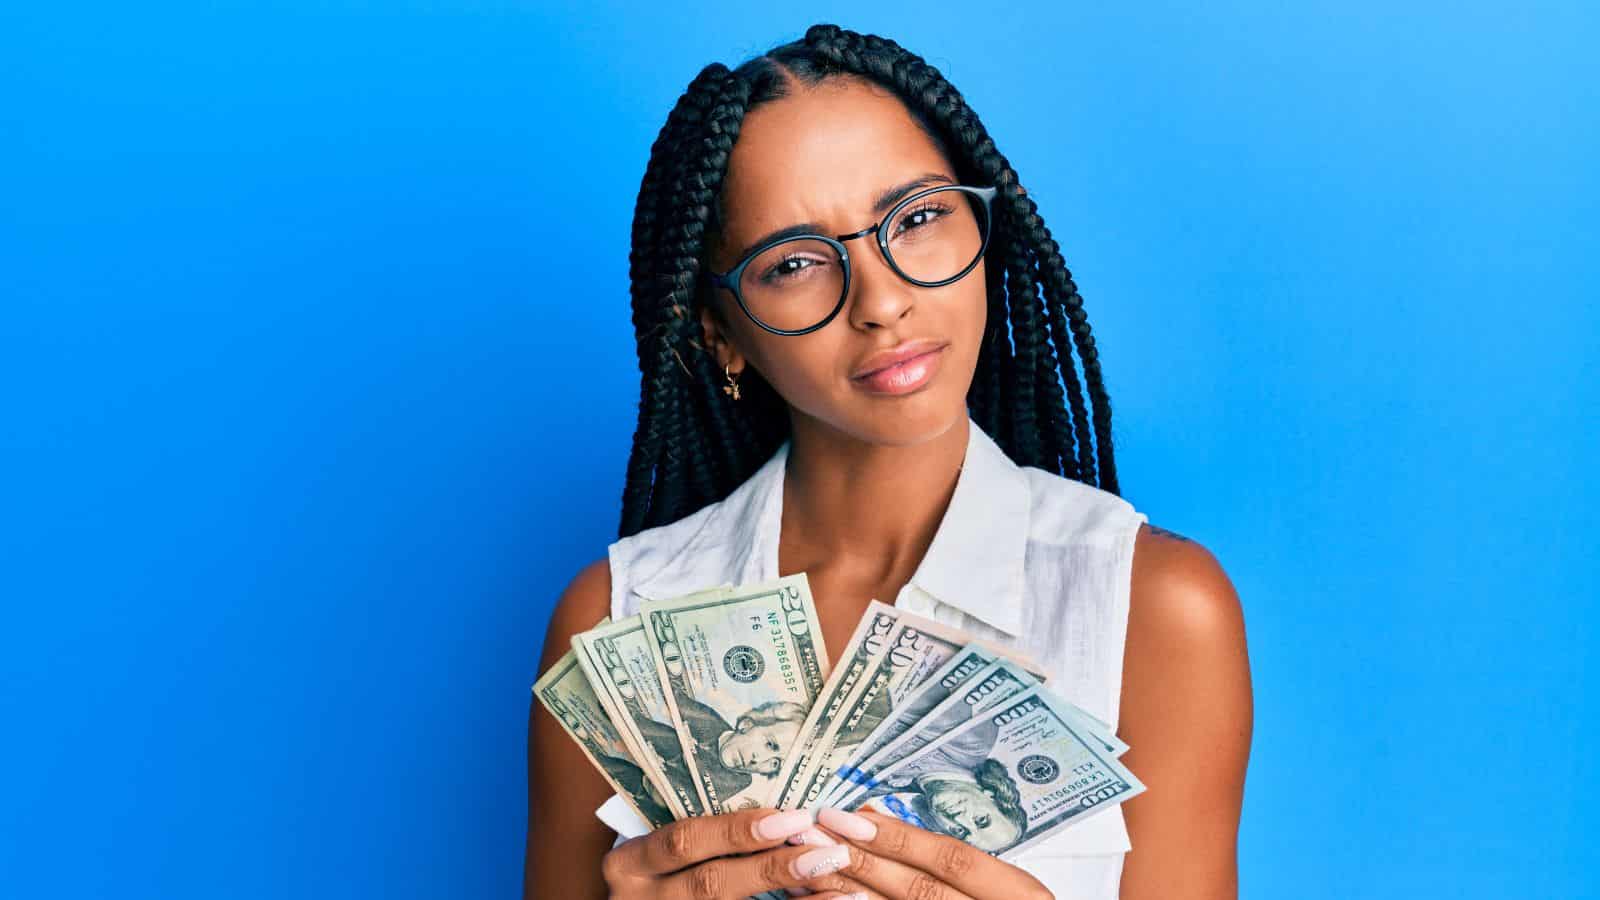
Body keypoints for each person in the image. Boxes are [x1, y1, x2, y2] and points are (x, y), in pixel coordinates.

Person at [528, 22, 1252, 900]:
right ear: (719, 332)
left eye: (916, 218)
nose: (883, 301)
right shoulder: (615, 620)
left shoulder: (1156, 609)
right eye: (794, 263)